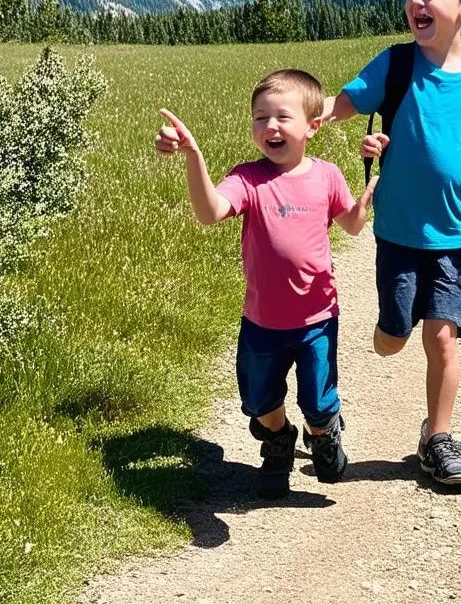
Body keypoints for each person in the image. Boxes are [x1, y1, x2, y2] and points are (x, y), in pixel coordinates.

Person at [322, 0, 461, 488]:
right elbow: (348, 100)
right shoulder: (397, 63)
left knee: (443, 336)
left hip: (457, 233)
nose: (416, 2)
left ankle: (439, 437)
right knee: (394, 335)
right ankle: (344, 389)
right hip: (399, 233)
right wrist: (315, 115)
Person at [155, 68, 374, 498]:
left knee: (317, 399)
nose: (270, 126)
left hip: (316, 318)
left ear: (312, 126)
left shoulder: (326, 175)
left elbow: (351, 225)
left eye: (281, 117)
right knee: (259, 401)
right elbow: (210, 212)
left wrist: (367, 197)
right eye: (260, 118)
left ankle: (324, 433)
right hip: (262, 322)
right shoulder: (248, 178)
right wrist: (193, 156)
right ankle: (278, 440)